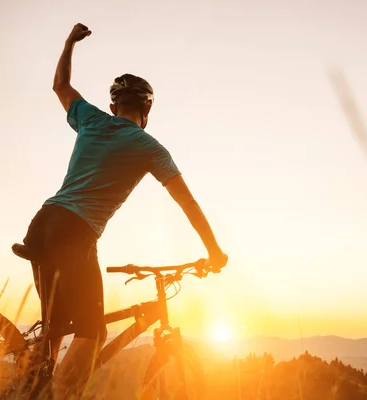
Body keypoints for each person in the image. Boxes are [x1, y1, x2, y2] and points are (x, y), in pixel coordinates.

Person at [20, 22, 228, 398]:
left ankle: (32, 386)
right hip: (76, 230)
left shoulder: (91, 118)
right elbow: (188, 202)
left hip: (43, 222)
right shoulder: (149, 146)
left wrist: (69, 44)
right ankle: (54, 395)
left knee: (58, 323)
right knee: (94, 332)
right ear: (147, 111)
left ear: (114, 106)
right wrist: (214, 251)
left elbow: (61, 87)